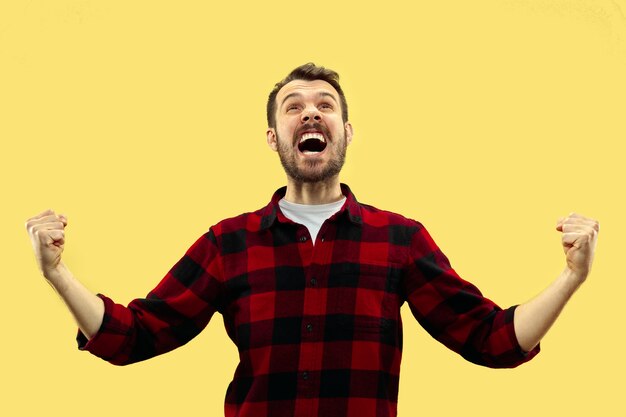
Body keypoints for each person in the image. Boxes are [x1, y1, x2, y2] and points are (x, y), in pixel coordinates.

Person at [26, 63, 599, 417]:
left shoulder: (400, 238)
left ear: (346, 132)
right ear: (274, 137)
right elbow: (137, 335)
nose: (311, 114)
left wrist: (572, 278)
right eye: (294, 107)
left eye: (325, 105)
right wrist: (57, 274)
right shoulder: (229, 243)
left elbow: (490, 339)